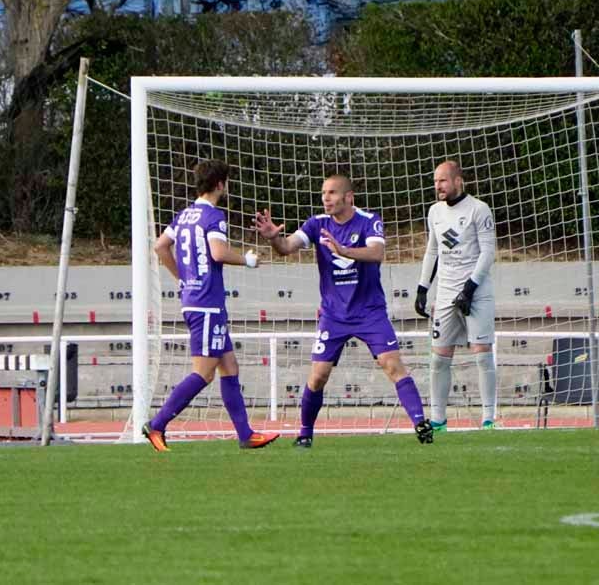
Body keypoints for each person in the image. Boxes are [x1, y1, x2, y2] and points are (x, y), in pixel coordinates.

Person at [255, 174, 434, 447]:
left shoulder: (368, 220)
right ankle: (304, 434)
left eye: (332, 192)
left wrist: (343, 250)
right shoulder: (317, 224)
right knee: (318, 376)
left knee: (392, 365)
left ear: (348, 197)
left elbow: (376, 254)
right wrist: (273, 238)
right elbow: (286, 248)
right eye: (324, 192)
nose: (326, 197)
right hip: (334, 315)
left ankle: (421, 423)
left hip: (369, 311)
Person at [145, 159, 279, 451]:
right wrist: (247, 260)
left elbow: (160, 246)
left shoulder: (183, 216)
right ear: (220, 184)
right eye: (227, 182)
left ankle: (246, 434)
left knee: (229, 366)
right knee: (204, 373)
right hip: (207, 303)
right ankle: (156, 424)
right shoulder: (214, 216)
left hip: (195, 299)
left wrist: (182, 277)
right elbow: (217, 253)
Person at [414, 160, 497, 431]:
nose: (438, 186)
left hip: (477, 292)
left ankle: (488, 419)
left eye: (443, 181)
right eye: (436, 181)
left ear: (458, 181)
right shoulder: (435, 212)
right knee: (439, 357)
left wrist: (470, 288)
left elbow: (487, 252)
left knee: (482, 353)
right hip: (447, 292)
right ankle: (438, 419)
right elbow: (433, 251)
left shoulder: (479, 209)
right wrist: (422, 288)